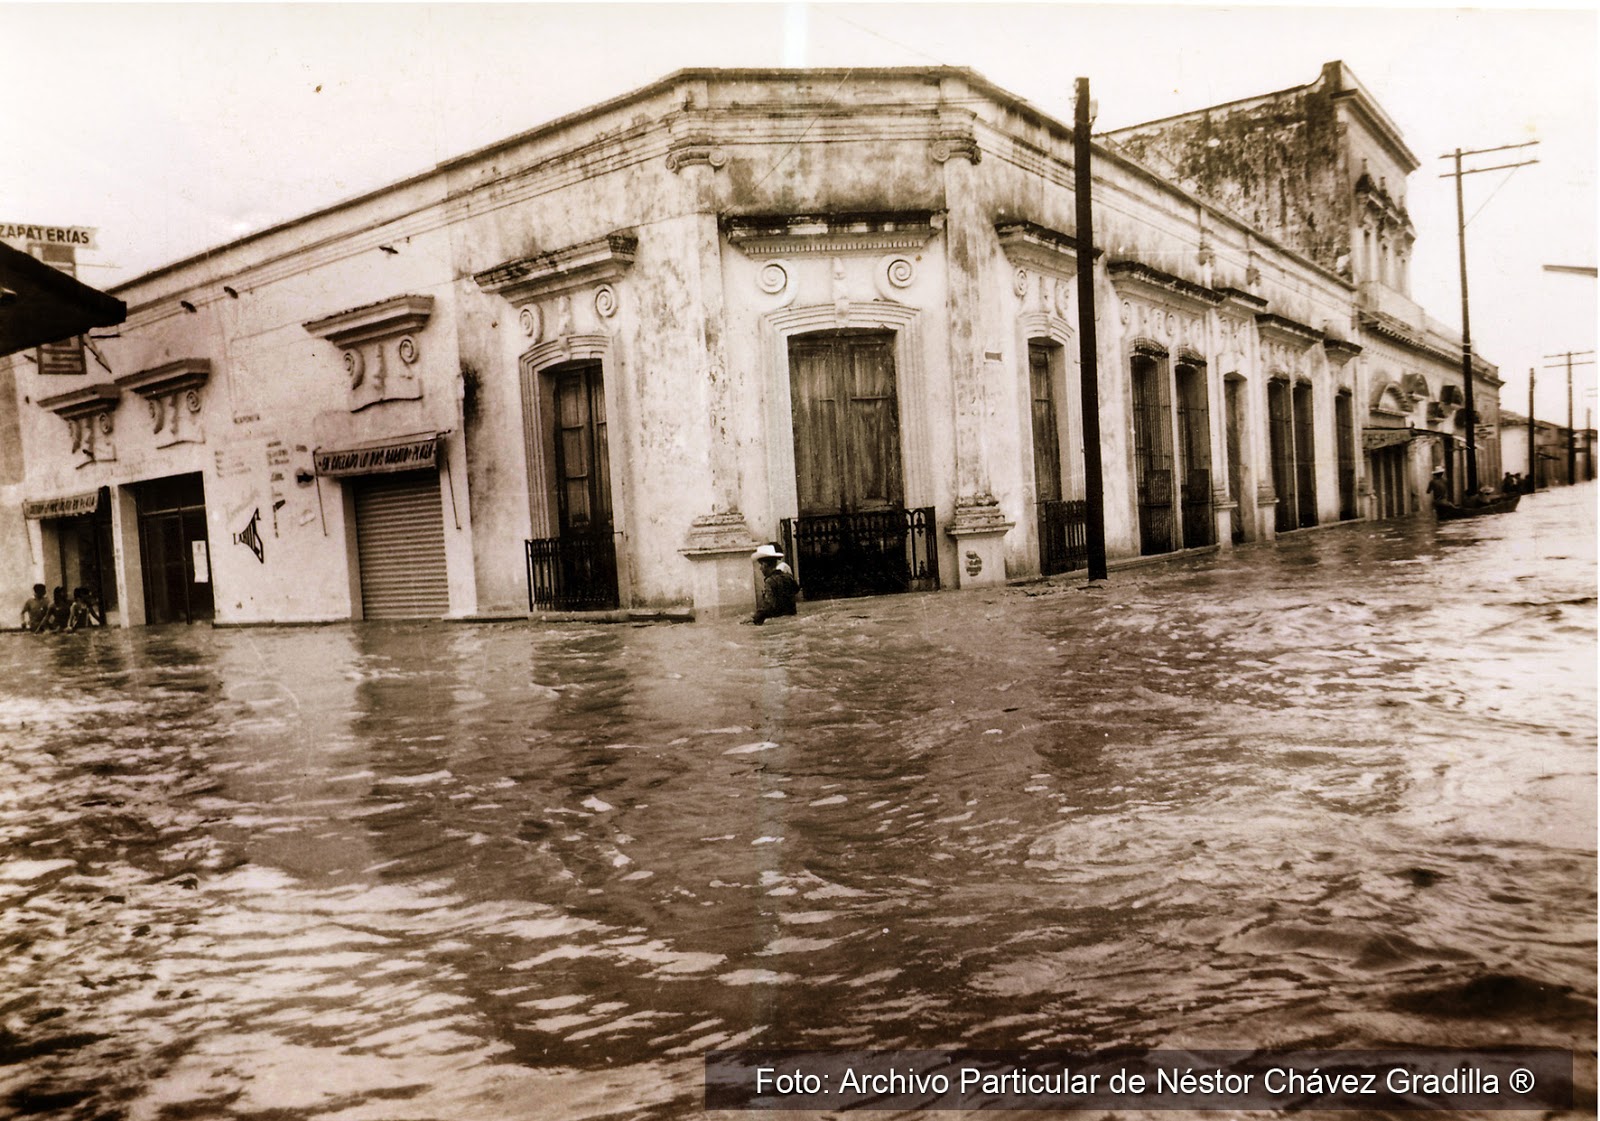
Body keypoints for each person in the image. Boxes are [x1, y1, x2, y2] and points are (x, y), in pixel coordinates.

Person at [750, 544, 799, 625]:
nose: (760, 568)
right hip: (792, 620)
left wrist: (754, 618)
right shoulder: (787, 577)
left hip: (777, 622)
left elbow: (769, 605)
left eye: (761, 565)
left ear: (765, 565)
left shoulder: (769, 581)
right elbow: (796, 589)